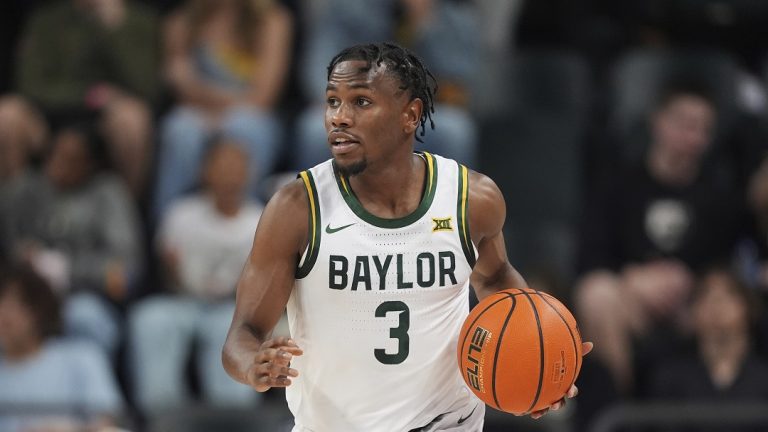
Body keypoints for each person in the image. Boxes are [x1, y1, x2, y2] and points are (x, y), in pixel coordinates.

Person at [222, 42, 591, 431]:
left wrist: (538, 355)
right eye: (332, 102)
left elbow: (496, 279)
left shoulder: (470, 199)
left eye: (361, 102)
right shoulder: (296, 209)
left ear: (410, 114)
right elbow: (242, 334)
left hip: (448, 422)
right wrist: (253, 365)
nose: (339, 118)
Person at [575, 81, 752, 396]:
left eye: (702, 129)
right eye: (685, 125)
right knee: (596, 294)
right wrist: (633, 279)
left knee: (725, 301)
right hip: (630, 303)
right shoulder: (619, 185)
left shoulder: (719, 196)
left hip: (696, 304)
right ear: (659, 122)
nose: (693, 138)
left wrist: (692, 284)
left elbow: (728, 264)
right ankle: (619, 409)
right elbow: (591, 257)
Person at [129, 137, 263, 416]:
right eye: (221, 165)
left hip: (233, 307)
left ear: (249, 172)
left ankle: (232, 416)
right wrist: (170, 270)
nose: (228, 173)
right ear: (204, 171)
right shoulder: (181, 214)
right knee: (150, 318)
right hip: (183, 302)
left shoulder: (261, 219)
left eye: (236, 165)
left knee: (232, 329)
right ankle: (163, 414)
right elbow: (166, 273)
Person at [1, 124, 143, 356]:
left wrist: (67, 268)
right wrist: (22, 257)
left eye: (71, 159)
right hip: (26, 296)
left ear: (91, 164)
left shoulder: (108, 193)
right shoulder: (26, 189)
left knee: (84, 316)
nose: (58, 164)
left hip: (85, 297)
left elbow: (126, 271)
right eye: (54, 154)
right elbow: (11, 243)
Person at [153, 0, 292, 221]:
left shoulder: (271, 20)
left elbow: (263, 97)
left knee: (246, 126)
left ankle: (251, 233)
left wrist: (202, 93)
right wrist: (225, 100)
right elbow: (178, 85)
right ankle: (170, 234)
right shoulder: (182, 21)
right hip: (196, 113)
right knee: (180, 129)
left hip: (251, 115)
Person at [12, 0, 160, 198]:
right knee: (7, 116)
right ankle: (12, 211)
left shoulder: (140, 21)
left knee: (133, 119)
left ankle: (123, 212)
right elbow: (30, 85)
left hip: (106, 118)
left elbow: (146, 89)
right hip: (51, 112)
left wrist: (115, 29)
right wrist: (88, 96)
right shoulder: (47, 20)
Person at [0, 265, 124, 431]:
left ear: (38, 311)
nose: (3, 313)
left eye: (13, 303)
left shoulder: (81, 357)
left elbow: (106, 422)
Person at [647, 267, 768, 432]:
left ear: (748, 307)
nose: (716, 304)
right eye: (706, 295)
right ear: (693, 311)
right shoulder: (670, 378)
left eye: (728, 295)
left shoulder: (763, 378)